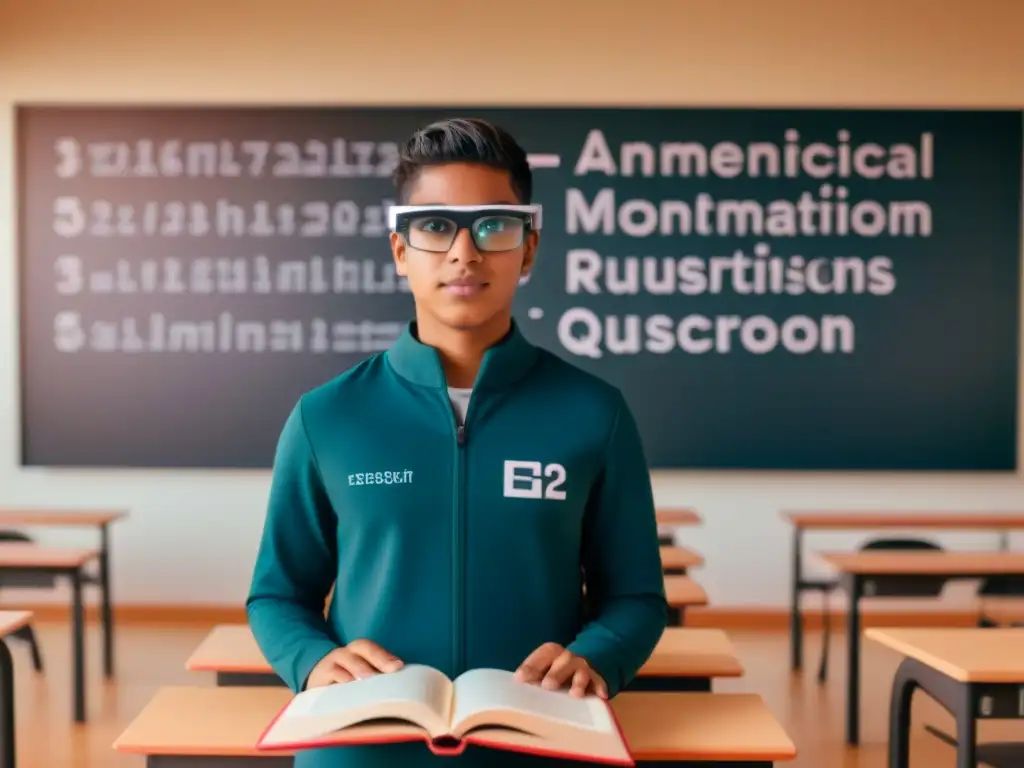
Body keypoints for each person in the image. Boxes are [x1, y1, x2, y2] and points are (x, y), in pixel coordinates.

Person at [246, 117, 668, 768]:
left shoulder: (594, 413)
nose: (464, 253)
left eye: (494, 226)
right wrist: (312, 659)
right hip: (363, 744)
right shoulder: (327, 416)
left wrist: (597, 657)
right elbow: (277, 595)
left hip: (540, 740)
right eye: (436, 226)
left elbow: (636, 596)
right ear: (399, 249)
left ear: (528, 249)